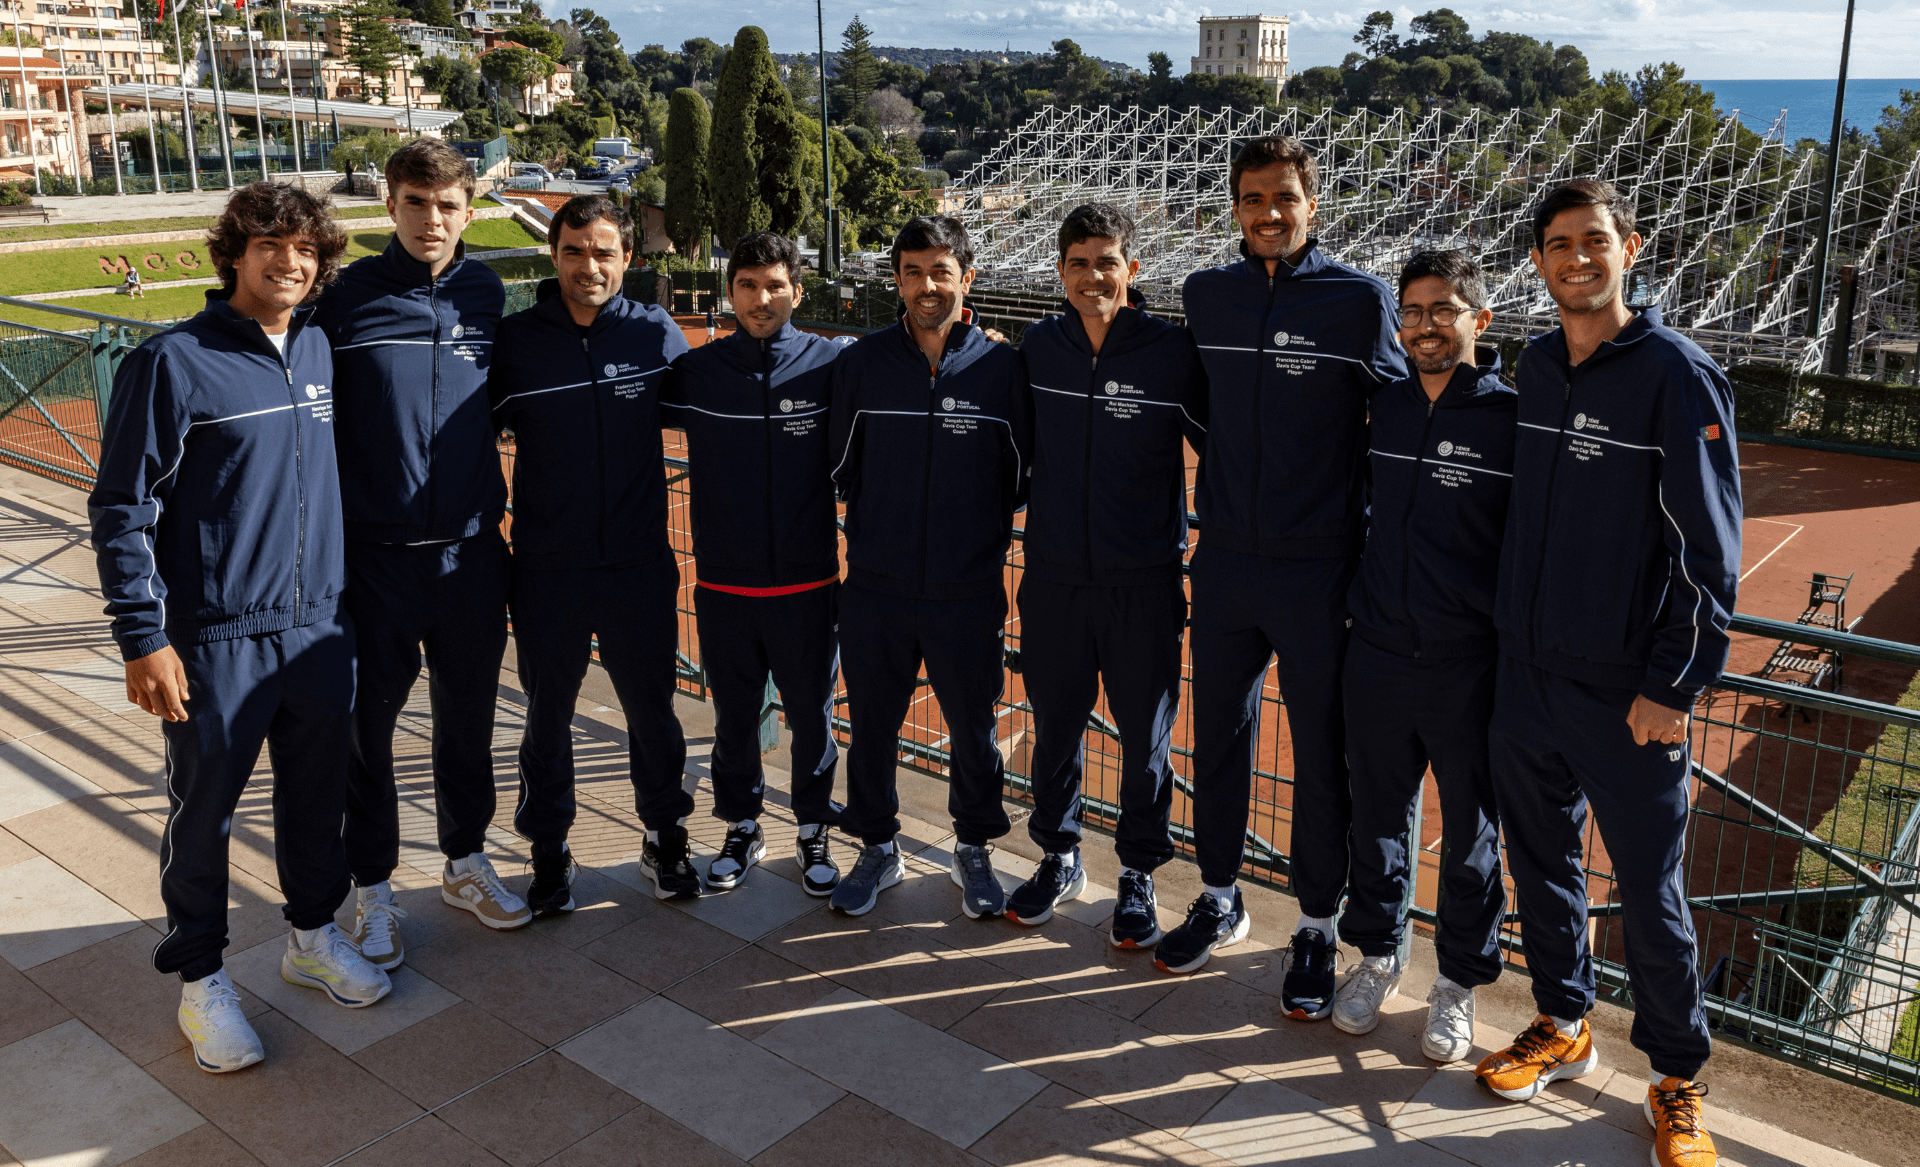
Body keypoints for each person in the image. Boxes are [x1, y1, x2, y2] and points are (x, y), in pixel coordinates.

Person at [91, 182, 389, 1075]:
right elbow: (120, 508)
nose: (288, 262)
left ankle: (309, 934)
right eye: (268, 244)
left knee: (314, 798)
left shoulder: (319, 348)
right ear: (233, 253)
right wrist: (144, 636)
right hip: (217, 636)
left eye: (304, 250)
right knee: (205, 813)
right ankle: (202, 980)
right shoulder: (172, 361)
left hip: (316, 629)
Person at [1474, 179, 1739, 1167]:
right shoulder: (1537, 365)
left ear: (1630, 247)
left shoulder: (1678, 375)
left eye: (1594, 241)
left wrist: (1674, 686)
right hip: (1526, 676)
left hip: (1627, 694)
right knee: (1540, 871)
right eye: (1557, 244)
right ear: (1538, 261)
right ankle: (1564, 1023)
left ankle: (1677, 1078)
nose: (1576, 259)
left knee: (1649, 893)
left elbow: (1710, 557)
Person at [1173, 136, 1407, 986]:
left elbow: (1395, 424)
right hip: (1227, 560)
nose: (1269, 214)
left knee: (1319, 752)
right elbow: (1201, 414)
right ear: (1234, 207)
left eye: (1284, 198)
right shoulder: (1207, 296)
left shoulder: (1361, 300)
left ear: (1313, 203)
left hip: (1320, 569)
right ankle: (1219, 894)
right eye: (1251, 199)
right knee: (1220, 740)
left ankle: (1315, 924)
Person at [313, 137, 525, 965]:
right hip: (375, 561)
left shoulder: (486, 290)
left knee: (467, 723)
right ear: (389, 205)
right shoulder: (345, 299)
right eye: (415, 203)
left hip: (472, 555)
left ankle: (465, 861)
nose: (431, 220)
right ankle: (372, 889)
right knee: (370, 732)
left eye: (446, 205)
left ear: (469, 208)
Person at [489, 196, 699, 901]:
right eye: (575, 250)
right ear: (555, 254)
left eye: (604, 251)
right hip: (548, 565)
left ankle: (664, 835)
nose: (590, 265)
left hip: (638, 563)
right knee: (547, 713)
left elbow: (716, 403)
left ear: (628, 258)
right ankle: (549, 847)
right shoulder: (517, 341)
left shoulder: (655, 332)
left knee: (652, 711)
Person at [1330, 250, 1512, 1060]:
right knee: (1376, 818)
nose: (1427, 325)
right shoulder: (1388, 408)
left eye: (1445, 309)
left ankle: (1459, 982)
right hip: (1375, 649)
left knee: (1471, 829)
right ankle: (1377, 955)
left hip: (1466, 661)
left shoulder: (1513, 417)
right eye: (1413, 311)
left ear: (1481, 319)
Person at [1012, 202, 1206, 941]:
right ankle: (1060, 855)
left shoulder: (1169, 353)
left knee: (1144, 739)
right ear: (1061, 271)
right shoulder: (1038, 349)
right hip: (1055, 578)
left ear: (1133, 269)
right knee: (1056, 730)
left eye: (1107, 261)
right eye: (1079, 262)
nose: (1094, 275)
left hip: (1144, 582)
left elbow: (1227, 444)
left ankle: (1137, 874)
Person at [827, 215, 1030, 918]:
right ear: (897, 280)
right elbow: (840, 467)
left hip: (967, 590)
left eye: (941, 270)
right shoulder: (862, 364)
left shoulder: (1006, 369)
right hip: (877, 587)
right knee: (872, 728)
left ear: (967, 278)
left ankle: (972, 847)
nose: (926, 285)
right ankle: (877, 847)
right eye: (913, 271)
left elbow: (1023, 475)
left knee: (974, 730)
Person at [661, 231, 848, 895]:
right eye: (747, 285)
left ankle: (813, 826)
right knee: (734, 719)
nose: (761, 298)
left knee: (814, 719)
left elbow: (905, 356)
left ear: (798, 291)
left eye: (775, 286)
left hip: (808, 586)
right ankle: (742, 824)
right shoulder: (700, 371)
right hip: (723, 586)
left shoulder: (831, 364)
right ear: (729, 291)